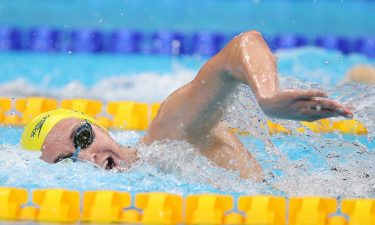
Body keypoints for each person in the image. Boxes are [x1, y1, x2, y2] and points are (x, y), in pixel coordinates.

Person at [20, 31, 353, 181]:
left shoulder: (168, 136)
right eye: (66, 162)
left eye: (82, 138)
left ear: (100, 126)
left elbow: (241, 46)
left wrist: (267, 96)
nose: (88, 156)